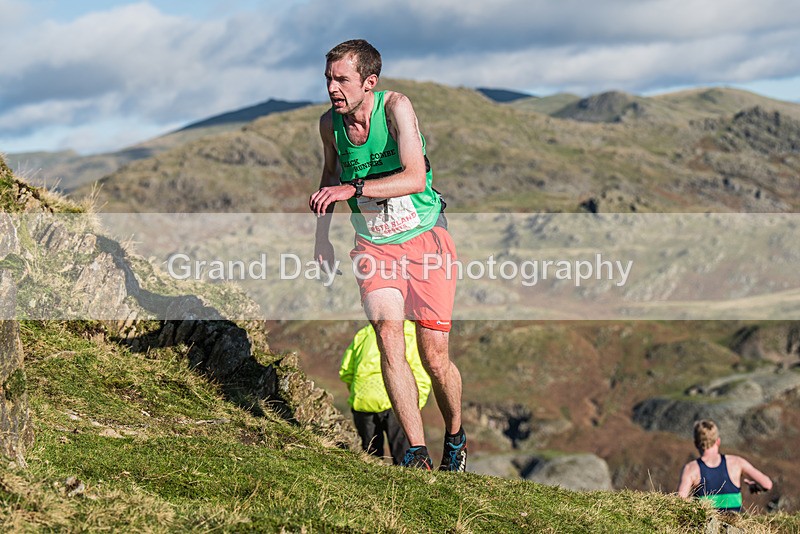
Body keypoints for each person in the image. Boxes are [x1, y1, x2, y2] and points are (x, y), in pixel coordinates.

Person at [309, 39, 466, 471]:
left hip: (425, 237)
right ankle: (415, 453)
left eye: (342, 80)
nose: (332, 89)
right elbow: (329, 176)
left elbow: (415, 177)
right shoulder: (330, 125)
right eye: (328, 80)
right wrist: (322, 239)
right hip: (374, 247)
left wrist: (354, 190)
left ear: (369, 81)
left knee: (434, 355)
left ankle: (455, 434)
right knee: (387, 335)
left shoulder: (396, 108)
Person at [340, 321, 431, 464]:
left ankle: (370, 484)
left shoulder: (364, 333)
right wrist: (415, 405)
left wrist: (358, 392)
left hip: (363, 400)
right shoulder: (411, 333)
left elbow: (346, 371)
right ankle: (407, 483)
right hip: (398, 402)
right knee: (405, 456)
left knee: (370, 458)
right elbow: (421, 373)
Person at [677, 419, 772, 512]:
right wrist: (756, 486)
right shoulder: (736, 462)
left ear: (696, 444)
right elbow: (767, 484)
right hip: (735, 525)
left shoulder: (691, 469)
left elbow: (678, 503)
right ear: (718, 441)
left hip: (708, 525)